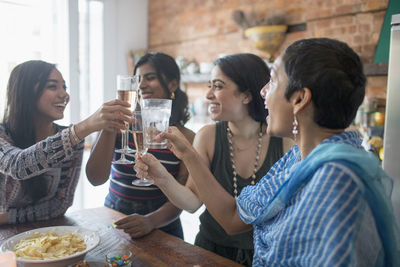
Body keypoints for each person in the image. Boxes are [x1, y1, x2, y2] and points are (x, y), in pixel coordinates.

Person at [135, 38, 400, 266]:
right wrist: (182, 160)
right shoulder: (297, 160)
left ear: (299, 99)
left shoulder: (335, 181)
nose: (263, 92)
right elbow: (233, 217)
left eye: (272, 80)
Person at [136, 53, 292, 266]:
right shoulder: (208, 136)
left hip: (264, 255)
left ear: (246, 95)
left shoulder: (284, 143)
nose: (208, 95)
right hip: (209, 250)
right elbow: (191, 202)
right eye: (209, 85)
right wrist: (159, 176)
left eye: (217, 86)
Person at [0, 60, 131, 225]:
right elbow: (18, 165)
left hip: (49, 235)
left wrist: (6, 218)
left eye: (64, 87)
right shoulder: (3, 134)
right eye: (53, 86)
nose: (64, 95)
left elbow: (60, 205)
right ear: (25, 92)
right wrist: (84, 126)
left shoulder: (73, 140)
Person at [86, 52, 195, 239]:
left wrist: (150, 221)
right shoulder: (118, 128)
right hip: (114, 219)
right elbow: (95, 179)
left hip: (163, 226)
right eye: (138, 79)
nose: (142, 84)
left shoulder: (186, 138)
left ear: (173, 84)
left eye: (150, 78)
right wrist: (109, 127)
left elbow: (185, 196)